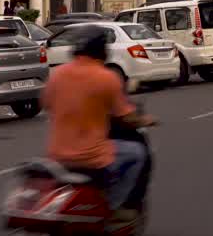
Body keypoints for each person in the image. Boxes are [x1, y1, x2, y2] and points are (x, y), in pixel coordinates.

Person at [42, 26, 157, 220]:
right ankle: (115, 206)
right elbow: (126, 117)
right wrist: (147, 120)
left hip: (57, 154)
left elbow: (47, 105)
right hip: (92, 156)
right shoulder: (105, 77)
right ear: (102, 51)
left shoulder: (57, 75)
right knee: (138, 153)